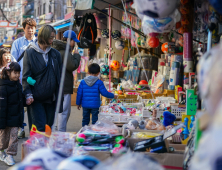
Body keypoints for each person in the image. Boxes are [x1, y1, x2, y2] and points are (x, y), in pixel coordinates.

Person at [22, 25, 63, 131]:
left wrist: (59, 96)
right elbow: (26, 76)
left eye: (53, 37)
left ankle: (46, 147)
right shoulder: (30, 52)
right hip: (36, 98)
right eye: (50, 37)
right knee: (39, 128)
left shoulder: (55, 54)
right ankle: (37, 148)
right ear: (43, 37)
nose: (52, 40)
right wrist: (28, 94)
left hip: (51, 98)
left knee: (48, 127)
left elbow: (59, 76)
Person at [11, 18, 37, 138]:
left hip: (36, 81)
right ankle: (21, 128)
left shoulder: (39, 42)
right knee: (20, 105)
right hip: (21, 80)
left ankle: (34, 129)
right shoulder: (17, 43)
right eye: (28, 28)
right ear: (24, 29)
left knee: (34, 105)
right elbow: (13, 62)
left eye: (32, 28)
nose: (31, 30)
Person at [52, 30, 81, 132]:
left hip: (58, 84)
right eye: (74, 41)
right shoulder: (65, 52)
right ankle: (60, 134)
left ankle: (57, 131)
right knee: (64, 112)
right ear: (69, 40)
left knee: (59, 111)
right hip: (64, 85)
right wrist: (77, 56)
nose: (75, 43)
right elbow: (72, 65)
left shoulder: (58, 50)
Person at [0, 62, 23, 166]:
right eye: (15, 72)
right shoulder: (3, 87)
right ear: (8, 73)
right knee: (3, 139)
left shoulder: (18, 85)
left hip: (15, 118)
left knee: (14, 137)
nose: (17, 75)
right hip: (4, 119)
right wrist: (1, 122)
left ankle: (10, 155)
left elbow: (20, 101)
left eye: (19, 72)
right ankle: (1, 152)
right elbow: (2, 106)